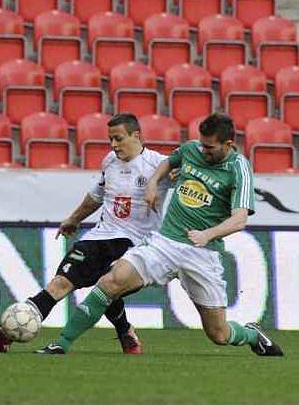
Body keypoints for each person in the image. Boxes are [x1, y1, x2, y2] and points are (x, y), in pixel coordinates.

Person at [38, 113, 283, 357]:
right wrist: (153, 182)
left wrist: (208, 234)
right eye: (201, 144)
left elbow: (239, 219)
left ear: (228, 145)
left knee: (219, 334)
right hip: (165, 243)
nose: (203, 150)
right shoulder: (191, 149)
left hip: (202, 253)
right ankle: (62, 344)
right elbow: (168, 163)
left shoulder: (238, 168)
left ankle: (252, 334)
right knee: (110, 282)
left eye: (209, 147)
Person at [0, 113, 172, 354]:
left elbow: (190, 184)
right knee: (61, 282)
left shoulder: (160, 165)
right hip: (100, 236)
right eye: (110, 140)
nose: (113, 145)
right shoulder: (110, 162)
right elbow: (97, 195)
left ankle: (120, 333)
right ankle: (7, 336)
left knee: (107, 286)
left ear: (136, 135)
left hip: (135, 243)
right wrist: (74, 219)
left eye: (118, 139)